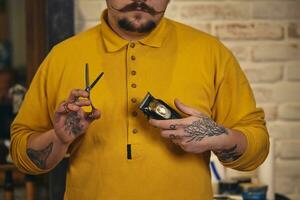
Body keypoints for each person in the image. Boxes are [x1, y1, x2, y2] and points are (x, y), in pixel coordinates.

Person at [10, 0, 269, 199]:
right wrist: (59, 138)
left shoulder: (211, 53)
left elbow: (256, 149)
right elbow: (22, 155)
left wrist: (220, 137)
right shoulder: (63, 57)